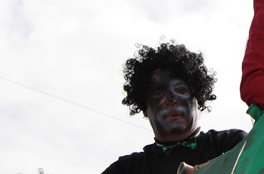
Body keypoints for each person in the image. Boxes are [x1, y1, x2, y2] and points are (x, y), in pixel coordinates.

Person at [102, 42, 246, 174]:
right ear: (145, 108)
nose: (171, 100)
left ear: (198, 100)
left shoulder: (233, 144)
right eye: (159, 93)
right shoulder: (125, 170)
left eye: (181, 90)